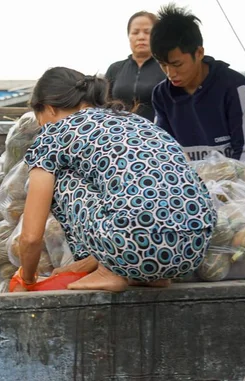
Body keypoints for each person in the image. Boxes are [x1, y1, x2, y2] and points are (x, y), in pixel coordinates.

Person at [13, 66, 216, 292]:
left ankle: (109, 270)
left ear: (49, 109)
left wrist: (28, 280)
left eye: (39, 120)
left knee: (57, 177)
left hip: (133, 243)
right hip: (193, 249)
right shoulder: (138, 122)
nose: (42, 127)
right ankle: (142, 273)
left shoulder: (54, 134)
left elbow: (31, 237)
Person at [150, 4, 245, 161]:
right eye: (163, 65)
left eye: (177, 65)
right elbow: (164, 150)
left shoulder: (235, 87)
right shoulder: (161, 95)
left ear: (199, 53)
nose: (170, 74)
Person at [105, 11, 165, 121]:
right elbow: (103, 104)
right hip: (118, 132)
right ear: (129, 36)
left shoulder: (166, 67)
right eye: (135, 32)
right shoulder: (115, 69)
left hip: (156, 133)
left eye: (147, 32)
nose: (141, 37)